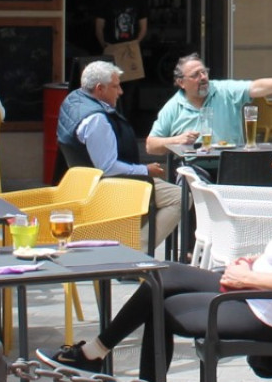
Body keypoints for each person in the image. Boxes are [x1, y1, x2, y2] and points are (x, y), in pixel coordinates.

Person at [50, 116, 272, 382]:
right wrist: (254, 264)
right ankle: (104, 362)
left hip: (267, 315)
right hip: (259, 299)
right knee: (162, 274)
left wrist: (249, 277)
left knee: (160, 306)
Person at [57, 60, 181, 252]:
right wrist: (145, 170)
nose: (121, 91)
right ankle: (135, 249)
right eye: (115, 86)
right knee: (181, 197)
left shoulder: (73, 99)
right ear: (99, 89)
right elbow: (107, 168)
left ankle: (128, 242)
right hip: (108, 187)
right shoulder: (96, 120)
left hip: (86, 184)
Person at [146, 54, 272, 149]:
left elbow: (256, 87)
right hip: (192, 169)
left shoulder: (224, 90)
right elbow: (150, 145)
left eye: (204, 72)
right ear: (181, 82)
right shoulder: (173, 107)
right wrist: (175, 140)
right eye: (195, 75)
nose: (203, 77)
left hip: (230, 163)